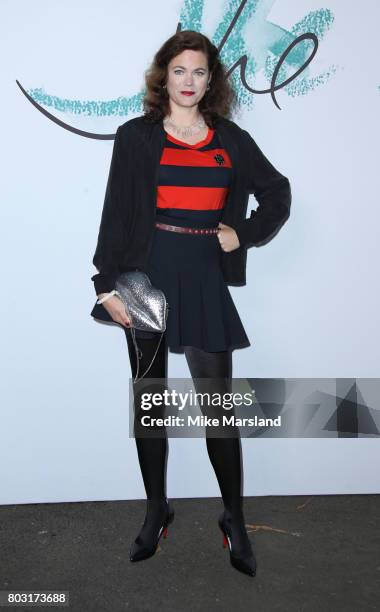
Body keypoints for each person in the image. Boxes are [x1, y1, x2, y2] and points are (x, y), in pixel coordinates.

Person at [90, 30, 291, 577]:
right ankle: (157, 510)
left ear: (211, 80)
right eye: (180, 71)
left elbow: (278, 193)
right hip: (145, 278)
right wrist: (105, 286)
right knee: (150, 405)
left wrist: (243, 234)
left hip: (203, 277)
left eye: (199, 72)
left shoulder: (230, 138)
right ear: (164, 76)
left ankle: (234, 518)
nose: (189, 82)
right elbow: (115, 213)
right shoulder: (135, 137)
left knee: (218, 410)